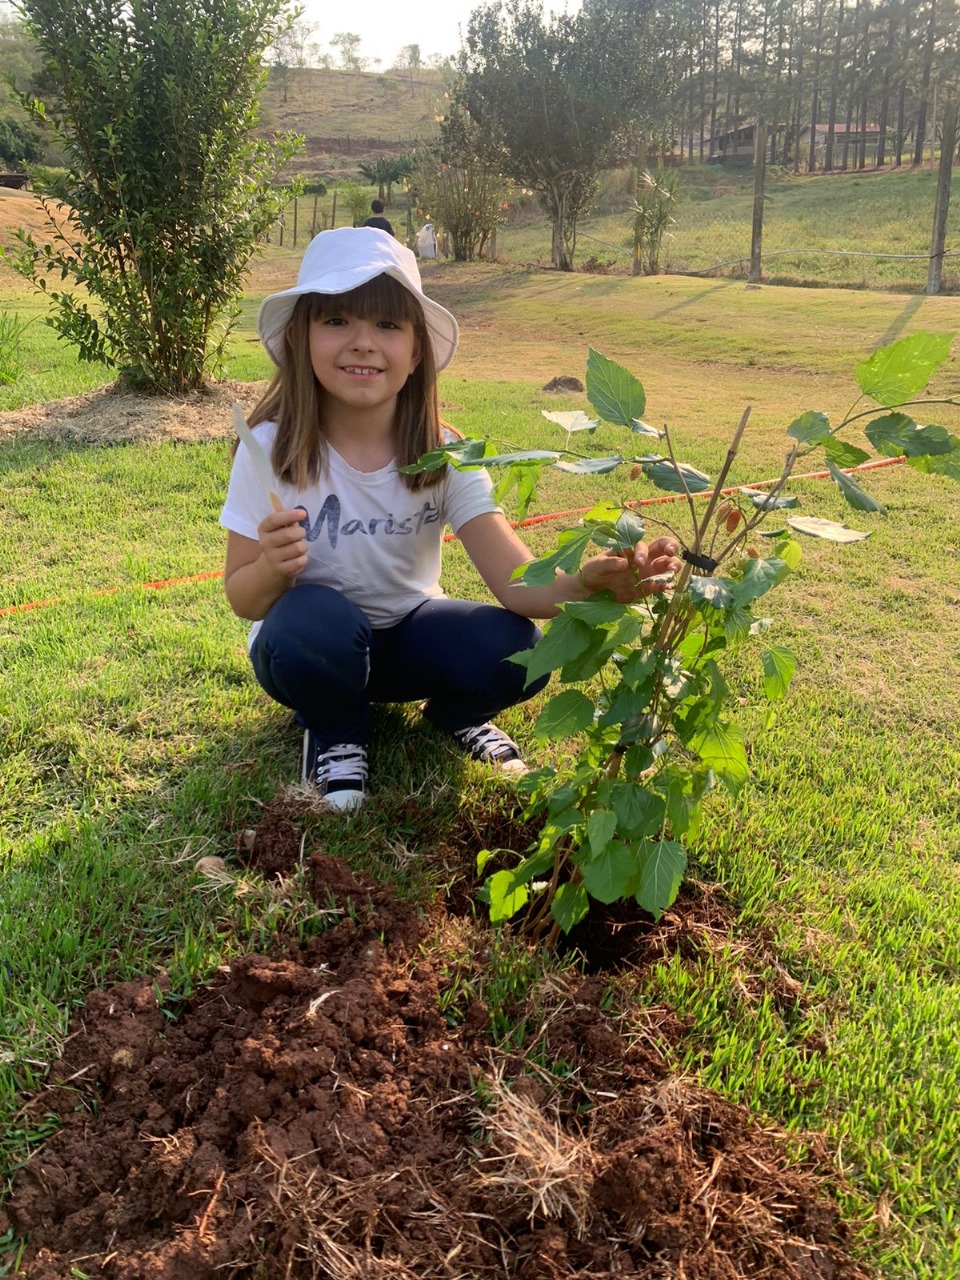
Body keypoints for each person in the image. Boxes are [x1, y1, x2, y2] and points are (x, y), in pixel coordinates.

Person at [220, 227, 680, 810]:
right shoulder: (269, 449)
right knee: (314, 617)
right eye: (336, 320)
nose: (363, 343)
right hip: (308, 648)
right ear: (299, 338)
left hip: (408, 636)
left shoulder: (446, 454)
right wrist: (273, 569)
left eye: (387, 325)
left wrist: (588, 583)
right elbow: (243, 597)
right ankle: (335, 732)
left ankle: (455, 718)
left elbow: (518, 584)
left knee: (519, 648)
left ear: (416, 352)